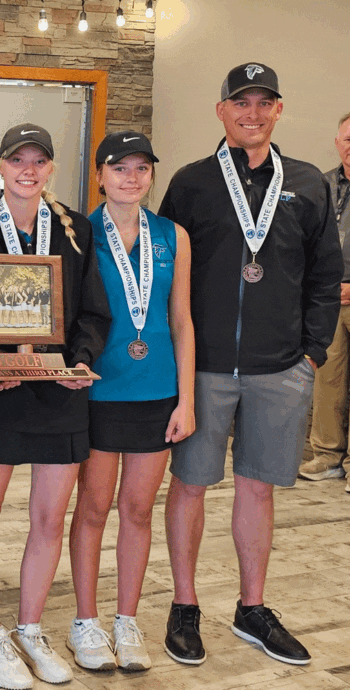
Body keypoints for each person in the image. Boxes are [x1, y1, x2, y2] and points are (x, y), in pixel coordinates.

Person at [157, 62, 341, 667]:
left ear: (279, 111)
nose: (253, 113)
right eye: (241, 102)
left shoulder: (308, 183)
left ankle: (251, 607)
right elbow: (162, 272)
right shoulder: (191, 183)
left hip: (279, 369)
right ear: (222, 111)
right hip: (204, 368)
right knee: (189, 485)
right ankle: (184, 606)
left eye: (265, 103)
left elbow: (323, 276)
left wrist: (311, 352)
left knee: (257, 490)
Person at [0, 123, 111, 687]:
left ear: (50, 168)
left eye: (38, 161)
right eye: (15, 159)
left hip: (60, 389)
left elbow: (93, 311)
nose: (27, 169)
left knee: (50, 516)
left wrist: (81, 360)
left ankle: (29, 627)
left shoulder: (76, 231)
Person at [66, 131, 194, 672]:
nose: (131, 177)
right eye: (120, 167)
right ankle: (86, 621)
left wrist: (186, 400)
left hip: (156, 392)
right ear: (100, 175)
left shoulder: (172, 235)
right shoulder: (77, 234)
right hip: (97, 390)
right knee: (94, 508)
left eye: (142, 168)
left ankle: (126, 618)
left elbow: (181, 321)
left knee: (138, 510)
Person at [300, 111, 350, 489]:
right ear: (337, 142)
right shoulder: (323, 185)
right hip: (329, 301)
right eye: (347, 139)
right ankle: (327, 457)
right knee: (327, 381)